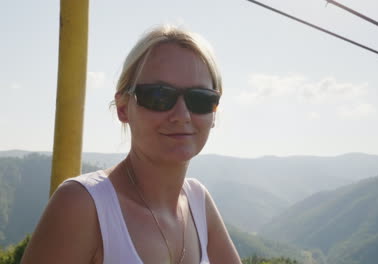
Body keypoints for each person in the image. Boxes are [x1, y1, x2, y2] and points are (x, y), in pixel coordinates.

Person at [21, 25, 242, 264]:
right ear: (123, 107)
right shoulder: (83, 205)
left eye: (200, 99)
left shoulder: (198, 202)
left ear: (214, 111)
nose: (182, 114)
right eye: (159, 96)